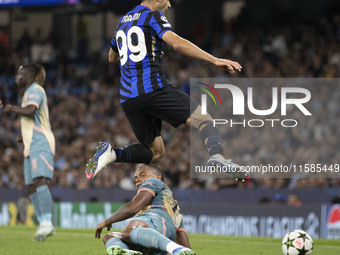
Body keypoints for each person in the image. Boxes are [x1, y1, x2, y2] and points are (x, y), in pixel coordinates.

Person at [85, 0, 249, 182]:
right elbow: (177, 44)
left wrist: (146, 50)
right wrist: (214, 60)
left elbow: (112, 57)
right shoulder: (153, 16)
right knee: (204, 120)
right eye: (168, 0)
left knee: (156, 152)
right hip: (153, 89)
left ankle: (112, 154)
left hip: (128, 99)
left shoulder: (123, 21)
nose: (170, 4)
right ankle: (217, 156)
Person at [0, 64, 56, 241]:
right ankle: (42, 225)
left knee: (40, 181)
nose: (17, 77)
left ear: (30, 75)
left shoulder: (35, 90)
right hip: (30, 144)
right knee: (31, 186)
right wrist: (23, 135)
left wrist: (11, 108)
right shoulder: (27, 92)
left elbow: (31, 110)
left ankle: (47, 224)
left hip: (41, 143)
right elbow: (33, 118)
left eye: (20, 74)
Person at [95, 164, 195, 255]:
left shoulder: (153, 182)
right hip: (158, 239)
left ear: (158, 177)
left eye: (142, 175)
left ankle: (174, 248)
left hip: (158, 223)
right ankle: (124, 252)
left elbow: (133, 207)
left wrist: (107, 221)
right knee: (110, 236)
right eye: (135, 178)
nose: (138, 179)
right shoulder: (173, 207)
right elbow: (184, 244)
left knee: (131, 228)